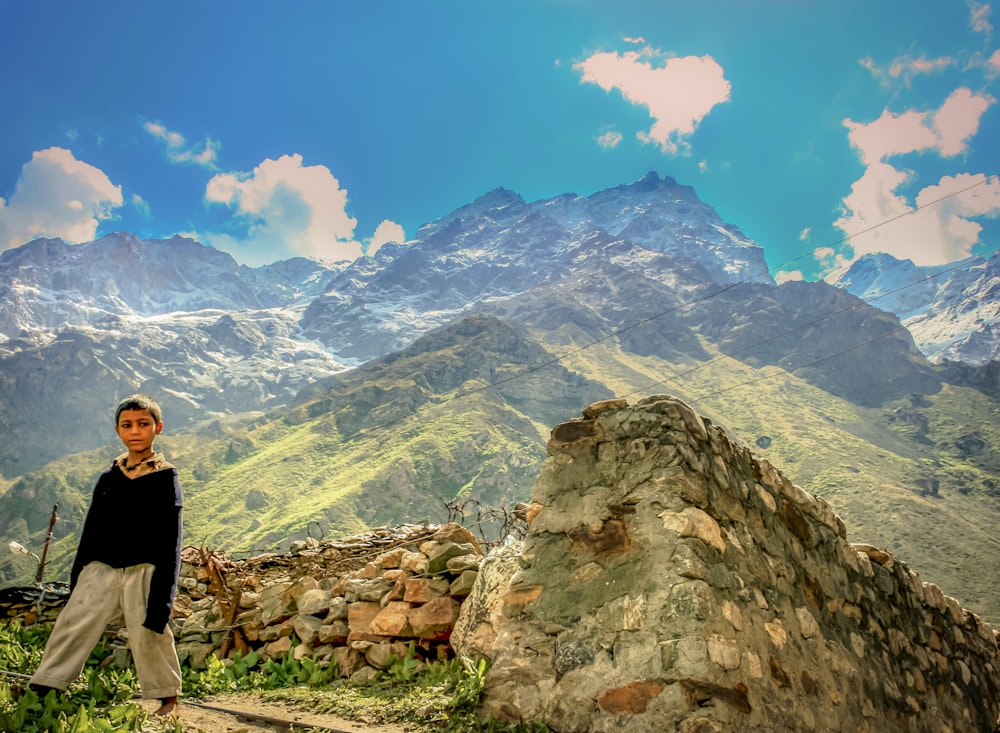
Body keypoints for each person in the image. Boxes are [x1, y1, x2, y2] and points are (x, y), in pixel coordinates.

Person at [29, 393, 184, 717]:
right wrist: (78, 578)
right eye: (127, 425)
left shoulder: (165, 479)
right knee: (73, 623)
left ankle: (166, 696)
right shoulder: (109, 479)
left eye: (143, 424)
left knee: (149, 630)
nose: (135, 431)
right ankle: (46, 685)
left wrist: (164, 596)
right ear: (118, 431)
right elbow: (91, 532)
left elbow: (170, 540)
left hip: (144, 569)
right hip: (100, 570)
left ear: (158, 428)